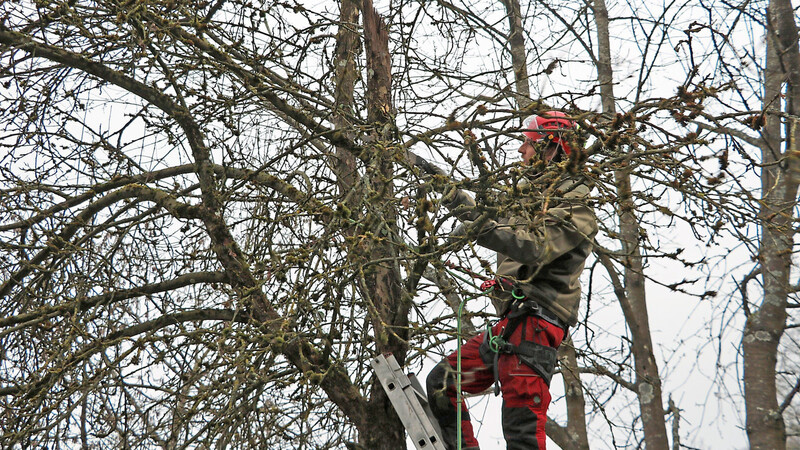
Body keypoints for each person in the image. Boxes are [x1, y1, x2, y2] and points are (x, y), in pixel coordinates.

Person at [425, 111, 598, 450]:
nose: (520, 150)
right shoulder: (529, 201)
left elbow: (533, 246)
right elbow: (490, 219)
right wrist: (449, 193)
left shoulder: (576, 208)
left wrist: (482, 230)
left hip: (534, 328)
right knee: (443, 381)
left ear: (551, 148)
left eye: (528, 143)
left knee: (521, 432)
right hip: (510, 327)